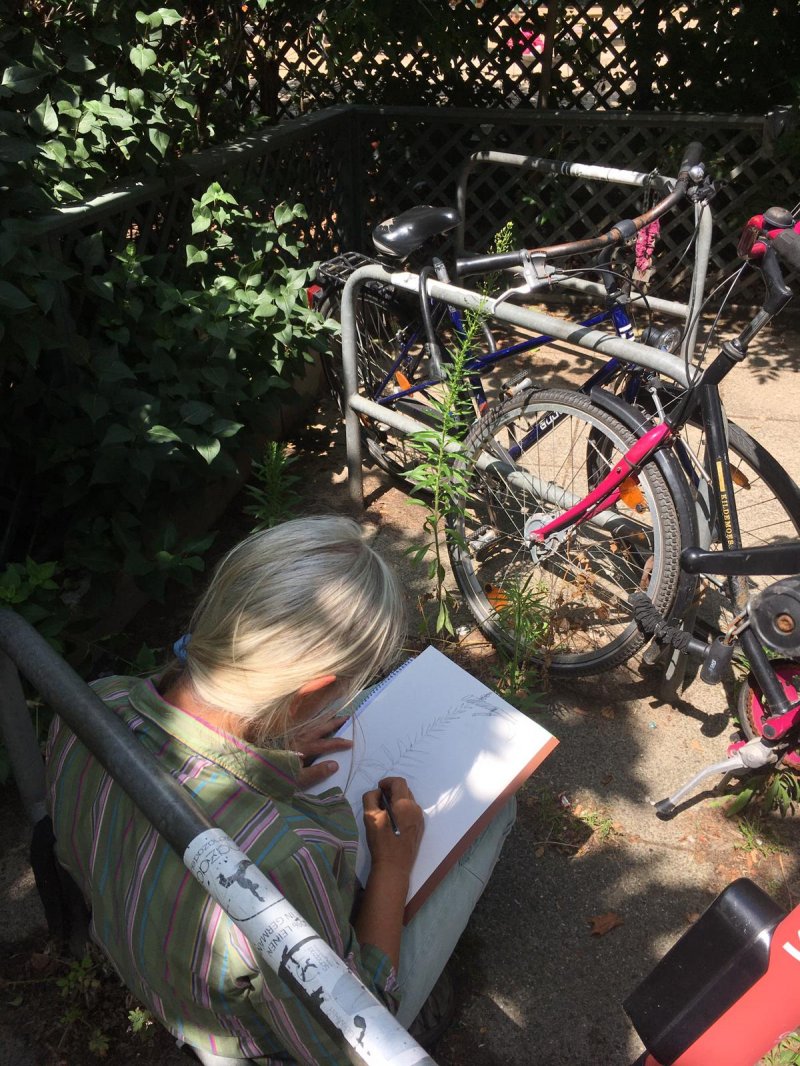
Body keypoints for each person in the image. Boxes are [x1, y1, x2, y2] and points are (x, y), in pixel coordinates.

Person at [45, 515, 515, 1064]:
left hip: (141, 953)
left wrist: (271, 732)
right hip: (243, 1036)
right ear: (312, 692)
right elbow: (351, 1028)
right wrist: (391, 866)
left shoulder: (98, 701)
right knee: (495, 814)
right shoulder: (282, 863)